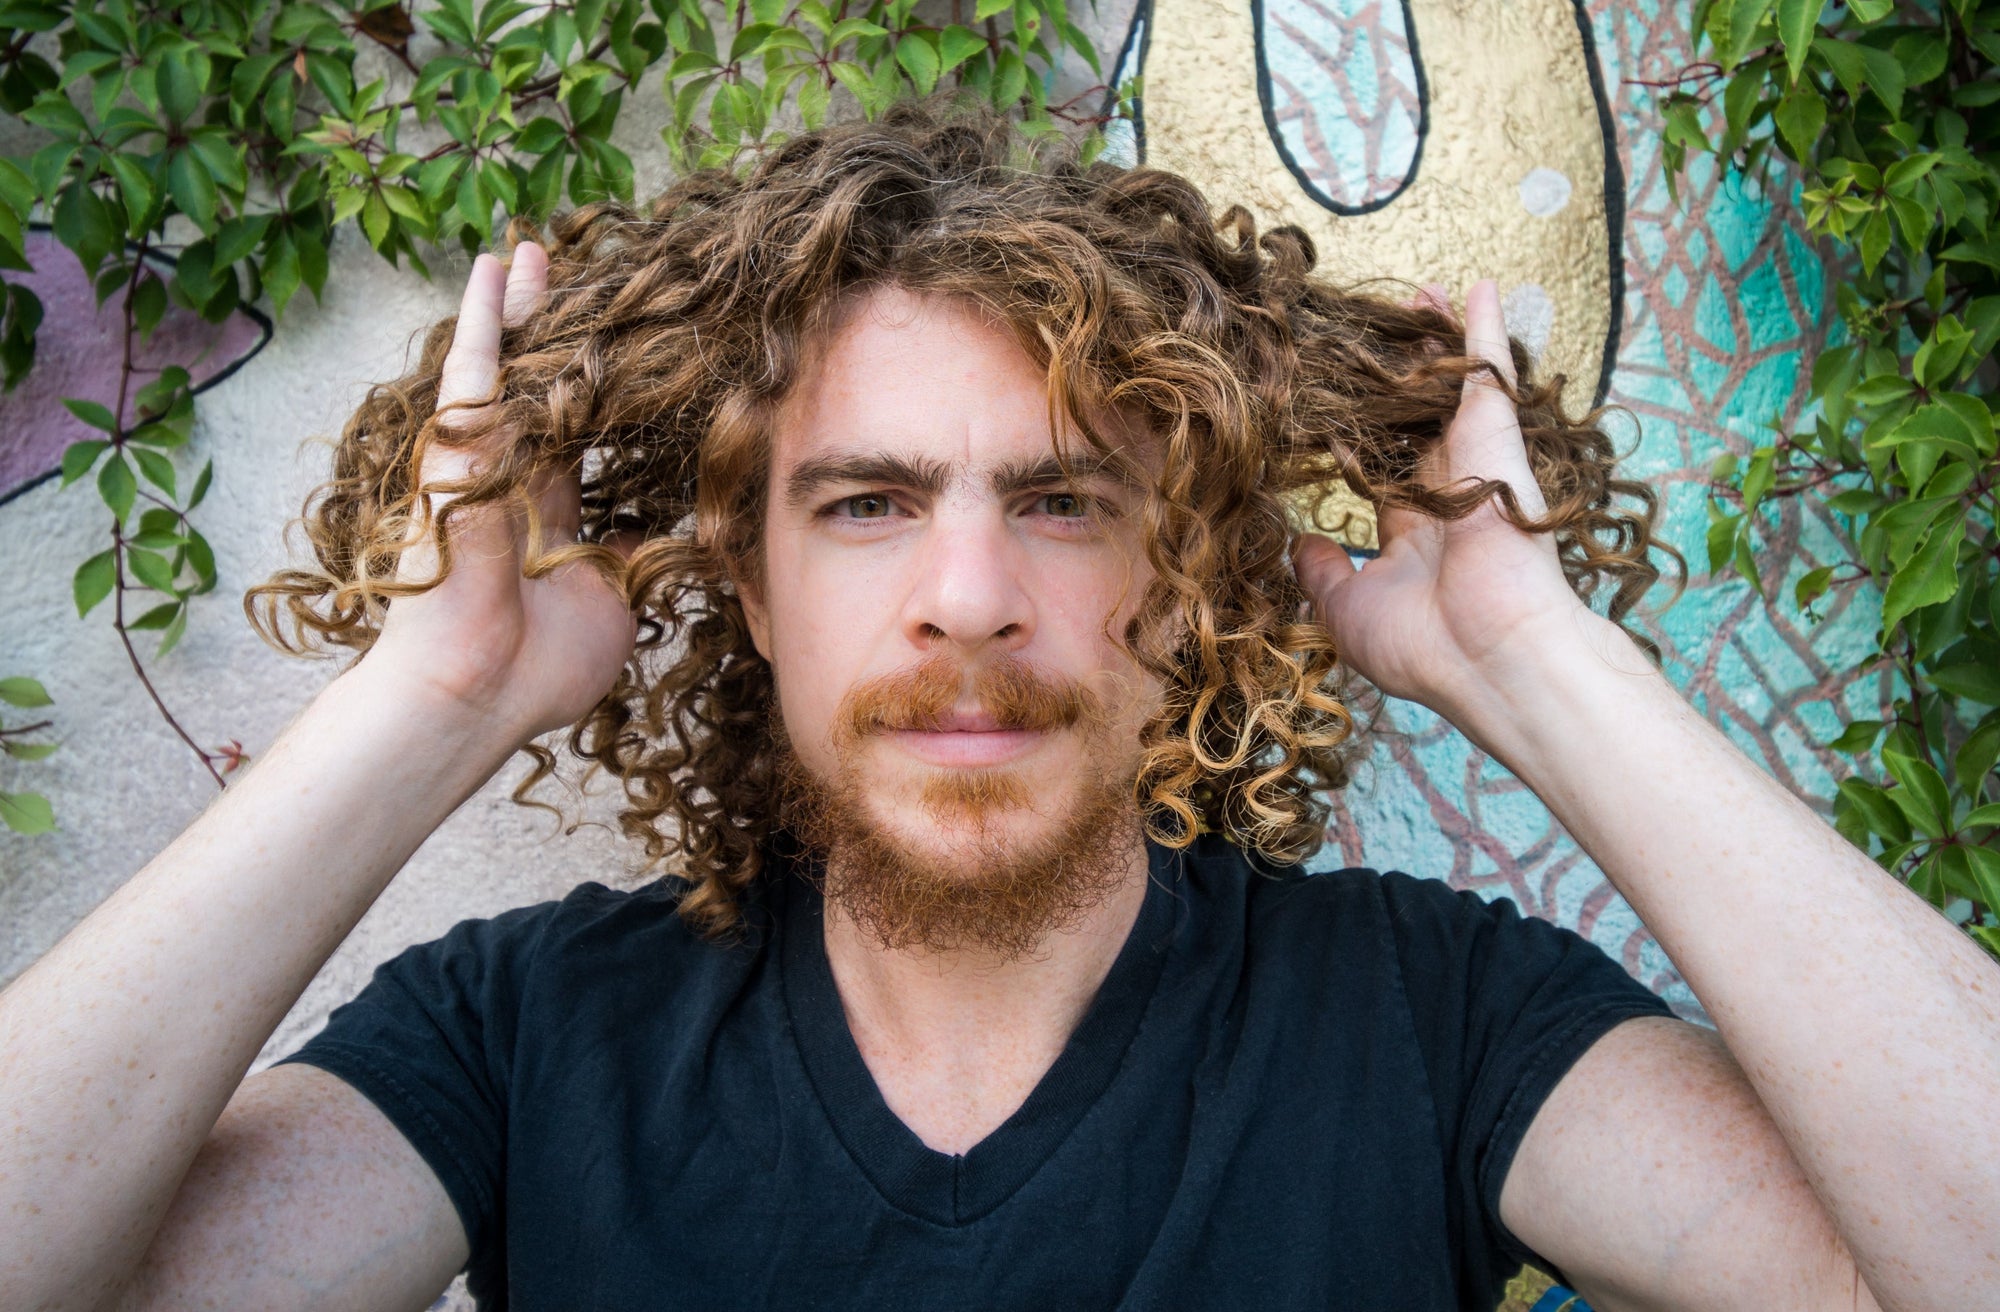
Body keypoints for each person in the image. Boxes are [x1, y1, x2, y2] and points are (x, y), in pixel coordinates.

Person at [1, 98, 1994, 1312]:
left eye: (1059, 499)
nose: (969, 597)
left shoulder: (1435, 1015)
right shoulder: (524, 1041)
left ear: (1185, 576)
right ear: (752, 591)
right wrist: (429, 694)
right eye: (866, 505)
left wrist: (1528, 657)